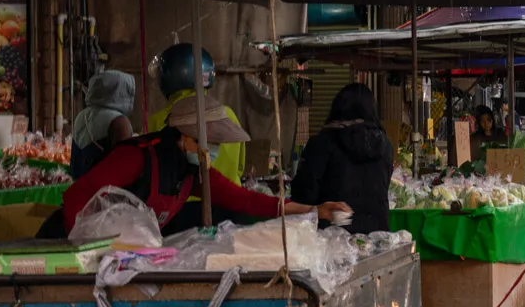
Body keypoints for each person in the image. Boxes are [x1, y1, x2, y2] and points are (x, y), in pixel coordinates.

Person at [59, 97, 348, 236]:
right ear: (185, 138)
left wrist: (314, 209)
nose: (213, 151)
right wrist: (88, 254)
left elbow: (246, 200)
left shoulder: (192, 173)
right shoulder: (136, 158)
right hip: (67, 244)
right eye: (208, 142)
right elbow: (74, 198)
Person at [293, 83, 393, 233]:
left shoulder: (322, 143)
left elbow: (304, 193)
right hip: (377, 236)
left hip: (332, 240)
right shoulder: (385, 145)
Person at [145, 45, 247, 187]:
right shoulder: (228, 114)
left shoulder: (162, 120)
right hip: (230, 201)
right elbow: (240, 167)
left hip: (185, 204)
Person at [70, 70, 136, 177]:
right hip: (103, 190)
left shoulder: (81, 115)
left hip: (79, 187)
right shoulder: (119, 122)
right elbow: (124, 166)